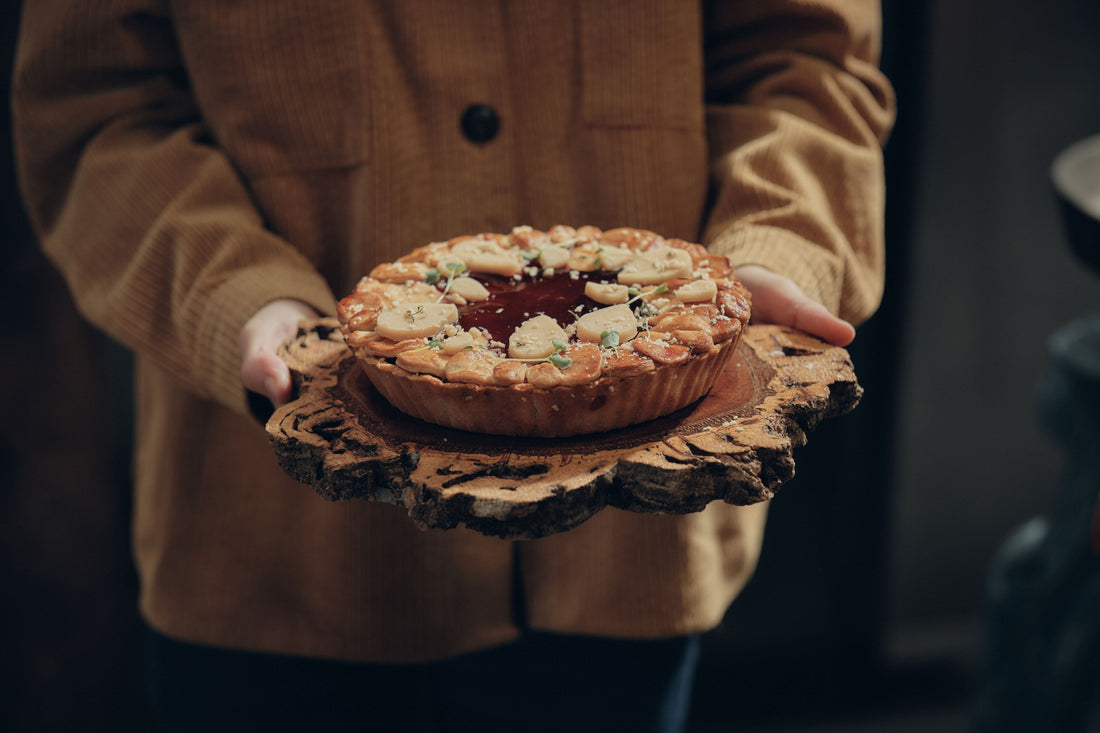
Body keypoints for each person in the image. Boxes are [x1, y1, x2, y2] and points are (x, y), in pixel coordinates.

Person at [12, 1, 895, 731]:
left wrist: (778, 233)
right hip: (274, 559)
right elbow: (98, 108)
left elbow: (807, 55)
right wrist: (233, 293)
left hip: (626, 560)